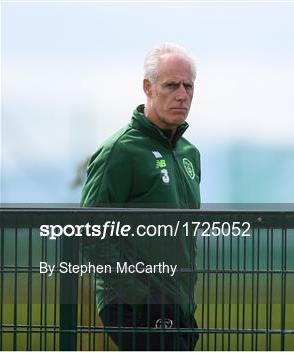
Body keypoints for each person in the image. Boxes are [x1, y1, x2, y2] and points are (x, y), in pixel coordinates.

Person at [80, 43, 201, 350]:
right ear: (148, 87)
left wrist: (183, 302)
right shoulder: (120, 151)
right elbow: (90, 234)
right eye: (171, 85)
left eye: (188, 86)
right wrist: (141, 296)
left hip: (178, 304)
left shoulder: (190, 154)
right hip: (130, 305)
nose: (182, 95)